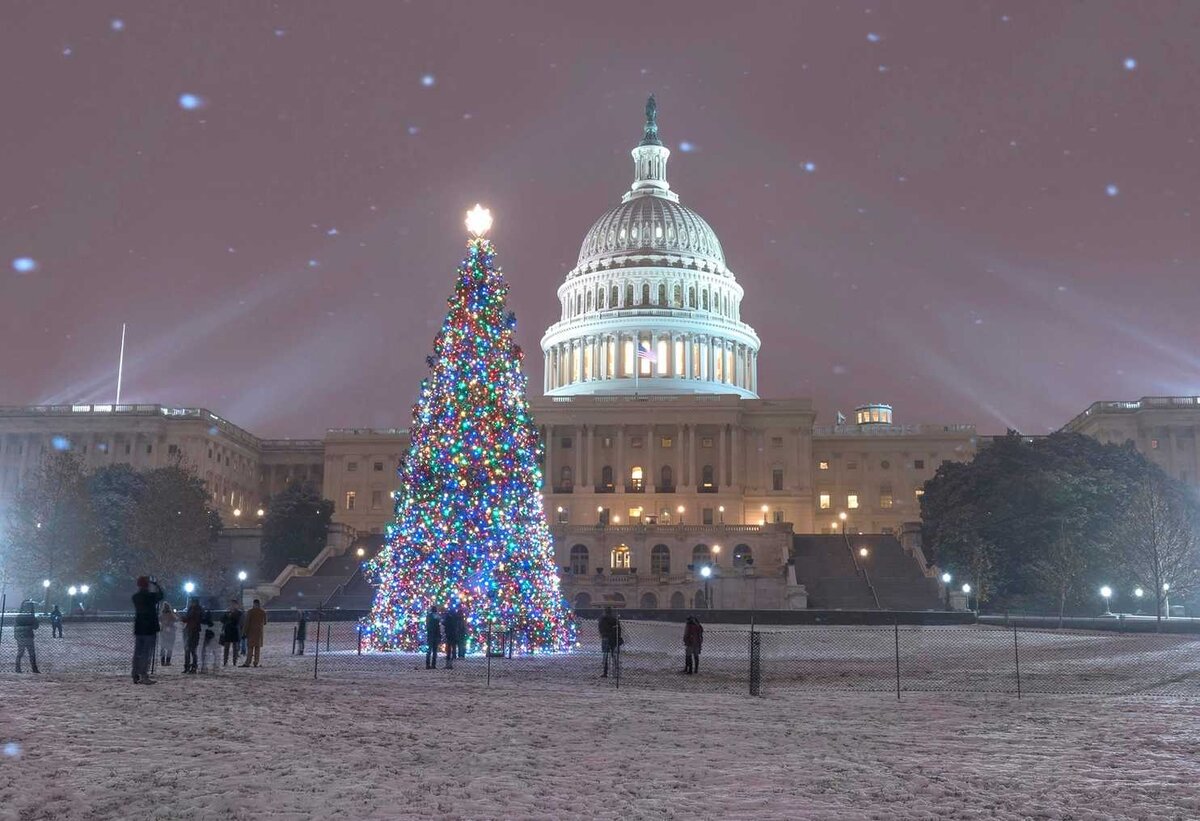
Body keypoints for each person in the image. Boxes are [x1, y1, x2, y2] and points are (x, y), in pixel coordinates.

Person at [131, 576, 164, 684]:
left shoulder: (135, 597)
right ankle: (143, 675)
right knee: (146, 653)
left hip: (139, 627)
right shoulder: (150, 597)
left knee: (137, 652)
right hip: (149, 628)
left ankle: (135, 674)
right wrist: (156, 585)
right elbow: (161, 595)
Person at [240, 599, 267, 667]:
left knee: (250, 648)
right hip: (259, 632)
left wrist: (244, 632)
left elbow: (247, 623)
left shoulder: (250, 612)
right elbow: (265, 622)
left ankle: (248, 662)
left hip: (251, 632)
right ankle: (256, 662)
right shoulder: (263, 612)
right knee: (257, 648)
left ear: (254, 604)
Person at [180, 597, 203, 674]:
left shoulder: (197, 610)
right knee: (188, 650)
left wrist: (184, 618)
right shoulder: (192, 609)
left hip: (194, 631)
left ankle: (193, 666)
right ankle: (187, 666)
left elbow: (191, 618)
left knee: (192, 650)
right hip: (189, 630)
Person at [14, 602, 40, 674]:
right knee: (31, 654)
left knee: (20, 653)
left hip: (22, 638)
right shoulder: (30, 617)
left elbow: (16, 628)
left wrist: (16, 637)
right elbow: (36, 627)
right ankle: (34, 669)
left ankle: (18, 668)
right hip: (28, 637)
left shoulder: (19, 617)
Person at [598, 606, 622, 678]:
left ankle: (605, 672)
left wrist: (603, 634)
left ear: (605, 611)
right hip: (613, 639)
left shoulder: (602, 619)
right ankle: (616, 672)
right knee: (614, 656)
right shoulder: (614, 619)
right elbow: (618, 629)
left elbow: (600, 628)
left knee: (605, 656)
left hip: (605, 638)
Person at [220, 599, 243, 667]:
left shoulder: (239, 612)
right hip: (228, 631)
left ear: (236, 605)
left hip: (235, 631)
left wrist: (231, 615)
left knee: (235, 648)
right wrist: (227, 614)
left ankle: (234, 662)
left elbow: (238, 621)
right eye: (231, 604)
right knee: (226, 648)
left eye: (233, 604)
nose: (232, 606)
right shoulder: (227, 612)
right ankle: (225, 661)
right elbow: (222, 620)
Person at [159, 602, 178, 667]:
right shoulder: (171, 614)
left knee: (163, 647)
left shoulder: (162, 615)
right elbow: (176, 619)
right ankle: (168, 661)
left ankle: (162, 661)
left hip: (163, 632)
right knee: (170, 647)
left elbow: (160, 620)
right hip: (170, 632)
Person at [442, 605, 461, 670]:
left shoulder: (448, 617)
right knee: (453, 647)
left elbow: (444, 623)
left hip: (449, 634)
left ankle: (448, 663)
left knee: (449, 649)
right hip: (454, 634)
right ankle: (452, 660)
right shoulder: (456, 617)